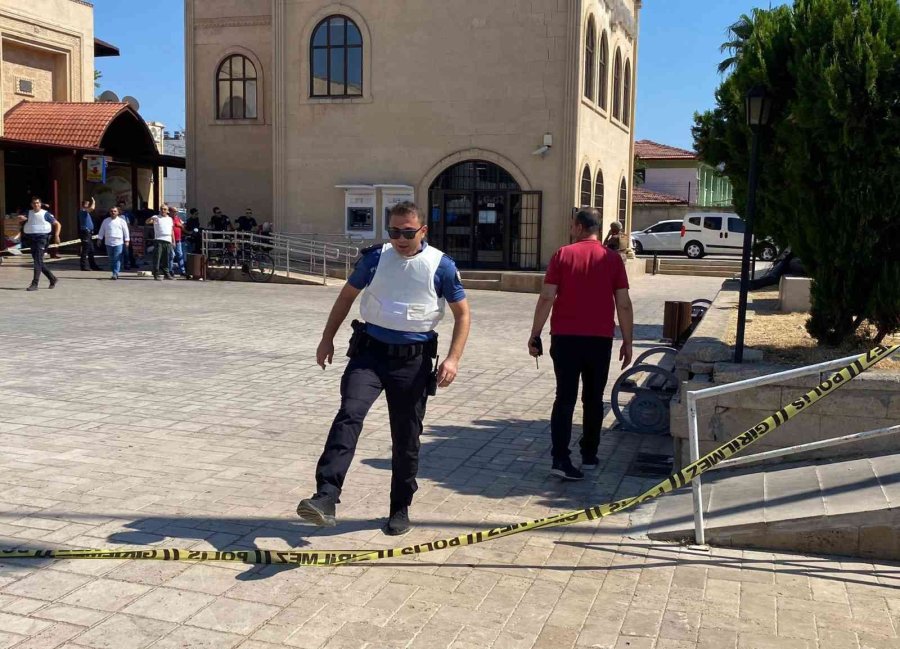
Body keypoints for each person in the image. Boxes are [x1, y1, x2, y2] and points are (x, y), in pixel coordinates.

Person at [297, 201, 471, 536]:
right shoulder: (375, 259)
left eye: (407, 232)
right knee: (349, 413)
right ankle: (326, 496)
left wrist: (453, 358)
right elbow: (346, 297)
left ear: (423, 231)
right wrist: (326, 339)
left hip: (414, 362)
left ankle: (399, 506)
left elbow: (463, 314)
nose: (400, 239)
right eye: (394, 232)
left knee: (406, 438)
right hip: (370, 355)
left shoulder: (441, 266)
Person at [528, 208, 634, 480]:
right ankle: (589, 453)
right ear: (597, 229)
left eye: (572, 226)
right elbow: (623, 302)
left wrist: (535, 333)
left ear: (578, 226)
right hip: (599, 340)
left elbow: (547, 297)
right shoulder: (612, 260)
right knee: (593, 399)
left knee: (564, 398)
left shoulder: (562, 255)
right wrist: (628, 341)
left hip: (565, 338)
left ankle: (560, 457)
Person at [19, 196, 61, 291]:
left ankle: (35, 284)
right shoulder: (28, 213)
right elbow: (22, 218)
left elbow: (57, 224)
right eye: (34, 203)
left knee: (37, 261)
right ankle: (52, 278)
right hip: (32, 239)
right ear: (31, 204)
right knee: (39, 261)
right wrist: (20, 218)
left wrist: (57, 235)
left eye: (37, 203)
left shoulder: (46, 214)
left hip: (42, 239)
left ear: (40, 204)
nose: (36, 205)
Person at [97, 206, 130, 280]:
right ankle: (113, 271)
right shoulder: (106, 221)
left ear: (118, 212)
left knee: (117, 258)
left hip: (118, 242)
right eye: (111, 211)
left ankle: (115, 273)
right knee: (111, 259)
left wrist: (127, 240)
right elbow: (102, 230)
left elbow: (126, 231)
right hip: (108, 243)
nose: (113, 212)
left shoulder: (122, 221)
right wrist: (99, 239)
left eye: (115, 211)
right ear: (109, 212)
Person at [146, 205, 175, 280]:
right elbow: (147, 222)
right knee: (157, 257)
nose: (163, 210)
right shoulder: (156, 217)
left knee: (166, 258)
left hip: (168, 240)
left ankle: (166, 273)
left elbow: (172, 230)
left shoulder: (170, 219)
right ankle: (156, 273)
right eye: (162, 209)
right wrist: (151, 218)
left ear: (167, 211)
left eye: (165, 209)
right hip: (159, 239)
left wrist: (173, 240)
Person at [78, 198, 101, 271]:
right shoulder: (83, 211)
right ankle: (83, 266)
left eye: (88, 204)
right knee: (85, 250)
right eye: (87, 204)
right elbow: (92, 208)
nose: (88, 205)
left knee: (91, 250)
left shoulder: (86, 212)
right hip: (85, 233)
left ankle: (93, 265)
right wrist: (94, 202)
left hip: (89, 233)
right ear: (83, 205)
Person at [168, 206, 186, 276]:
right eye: (174, 211)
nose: (176, 213)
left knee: (180, 255)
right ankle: (170, 270)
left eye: (176, 211)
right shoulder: (168, 219)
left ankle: (182, 271)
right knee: (171, 255)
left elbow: (183, 227)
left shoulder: (178, 219)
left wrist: (181, 225)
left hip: (178, 240)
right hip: (171, 240)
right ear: (170, 212)